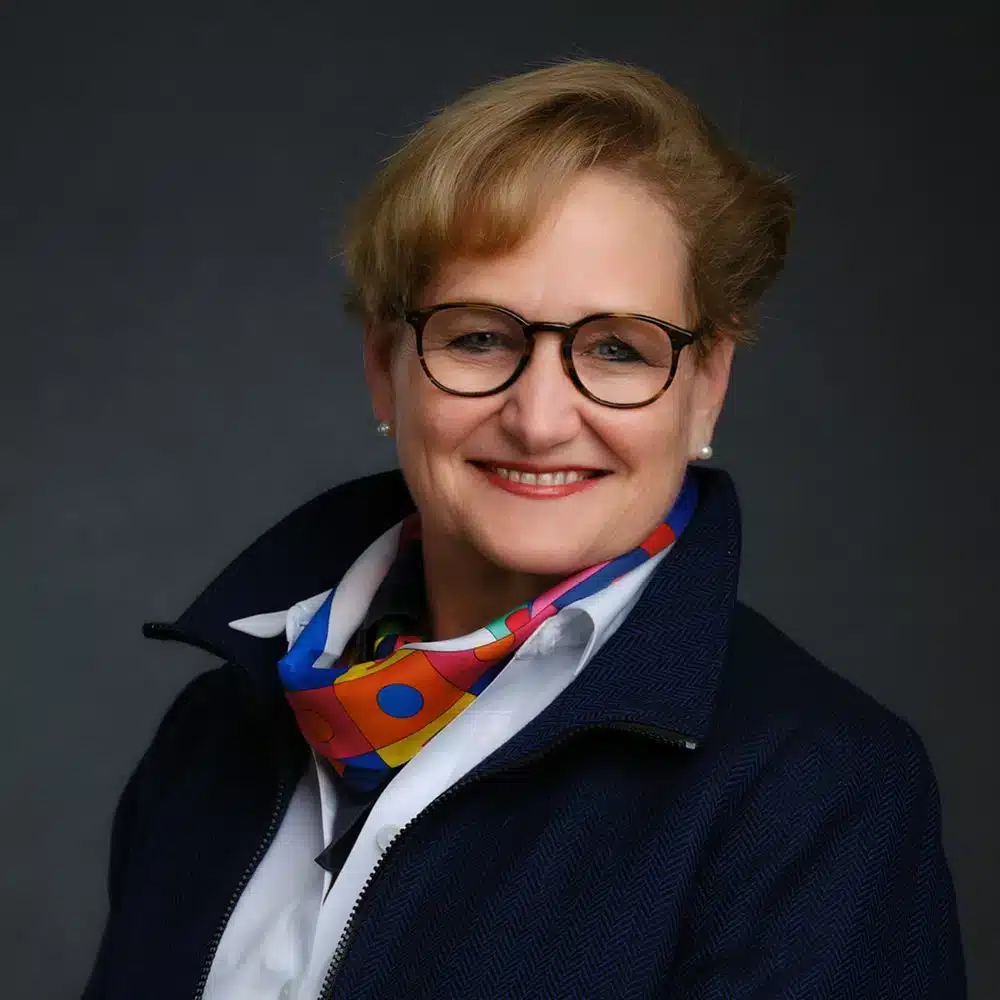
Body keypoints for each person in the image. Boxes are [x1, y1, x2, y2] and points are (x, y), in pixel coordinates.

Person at [81, 59, 965, 1000]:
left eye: (618, 349)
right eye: (479, 338)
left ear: (706, 389)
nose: (540, 419)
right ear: (386, 368)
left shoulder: (821, 791)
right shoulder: (214, 732)